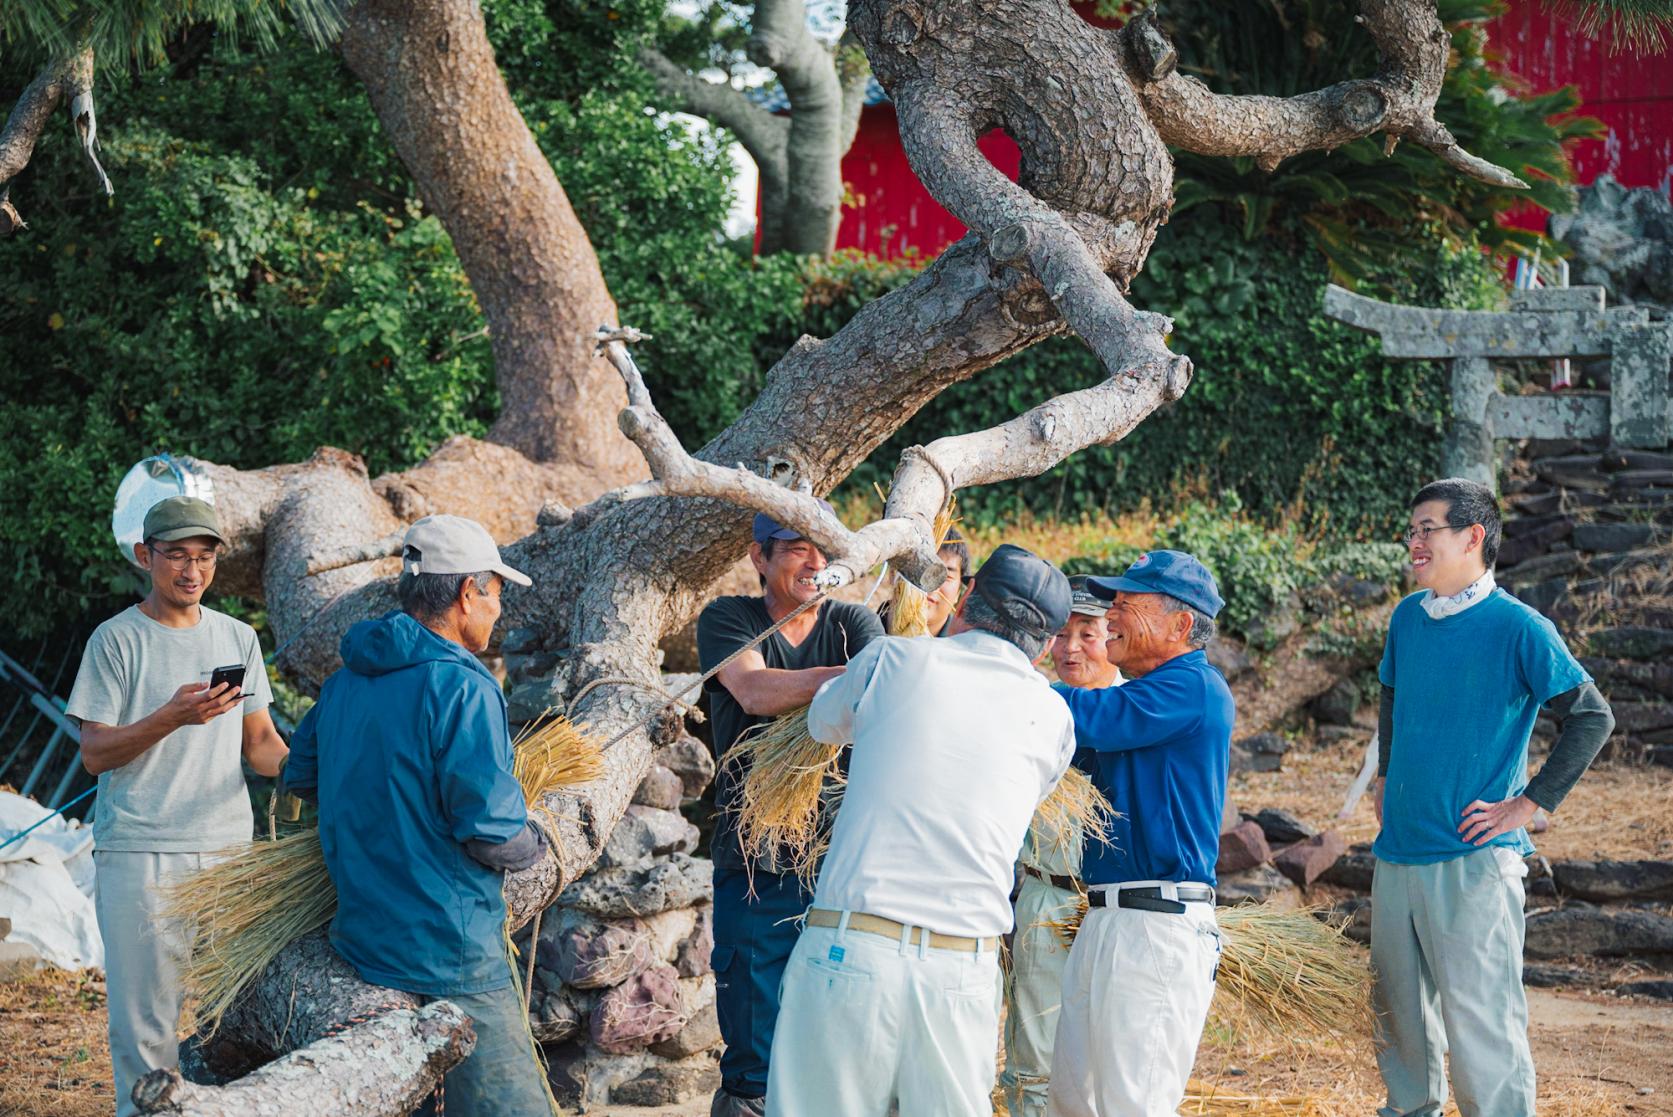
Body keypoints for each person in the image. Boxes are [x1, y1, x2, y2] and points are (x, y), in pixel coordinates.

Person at [766, 543, 1077, 1116]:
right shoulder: (1055, 716)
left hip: (854, 951)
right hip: (963, 969)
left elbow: (822, 723)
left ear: (965, 602)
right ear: (1047, 647)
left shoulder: (893, 660)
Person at [282, 514, 554, 1117]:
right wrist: (537, 841)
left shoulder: (345, 681)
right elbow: (489, 830)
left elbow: (301, 774)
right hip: (448, 947)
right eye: (497, 595)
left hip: (361, 938)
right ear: (467, 593)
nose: (497, 612)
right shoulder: (464, 688)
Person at [1371, 478, 1613, 1117]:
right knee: (1399, 1024)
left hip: (1475, 859)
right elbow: (1392, 693)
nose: (1414, 541)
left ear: (1473, 537)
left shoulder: (1518, 626)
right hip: (1398, 851)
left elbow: (1591, 716)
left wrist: (1528, 804)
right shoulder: (1407, 617)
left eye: (1429, 529)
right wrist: (1386, 774)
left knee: (1482, 1027)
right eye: (1413, 528)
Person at [65, 495, 288, 1117]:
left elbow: (262, 745)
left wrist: (325, 767)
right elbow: (95, 752)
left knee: (240, 1011)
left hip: (227, 852)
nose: (191, 571)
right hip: (141, 851)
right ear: (146, 556)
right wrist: (171, 717)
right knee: (145, 1023)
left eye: (204, 558)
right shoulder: (115, 641)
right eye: (177, 556)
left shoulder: (238, 637)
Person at [696, 511, 885, 1117]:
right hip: (755, 857)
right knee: (754, 1030)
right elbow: (755, 692)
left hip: (840, 858)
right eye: (796, 550)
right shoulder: (731, 619)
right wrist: (851, 676)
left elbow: (887, 688)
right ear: (760, 559)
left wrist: (867, 672)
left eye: (823, 552)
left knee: (836, 1021)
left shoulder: (854, 620)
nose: (814, 564)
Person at [1046, 550, 1235, 1117]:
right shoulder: (1139, 698)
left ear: (1181, 625)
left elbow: (1087, 718)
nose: (1112, 617)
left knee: (1135, 1103)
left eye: (1128, 604)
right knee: (1072, 1102)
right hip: (1106, 919)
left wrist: (997, 673)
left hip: (1156, 930)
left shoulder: (1193, 688)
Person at [1001, 575, 1122, 1117]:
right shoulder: (1029, 707)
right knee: (1033, 1059)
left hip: (1116, 909)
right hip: (1045, 901)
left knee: (1110, 1058)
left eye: (1088, 633)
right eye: (1062, 633)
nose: (1071, 648)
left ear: (1112, 636)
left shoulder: (1138, 707)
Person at [878, 526, 972, 636]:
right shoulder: (858, 635)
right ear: (893, 573)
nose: (932, 585)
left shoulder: (962, 651)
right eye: (923, 568)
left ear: (958, 592)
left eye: (946, 576)